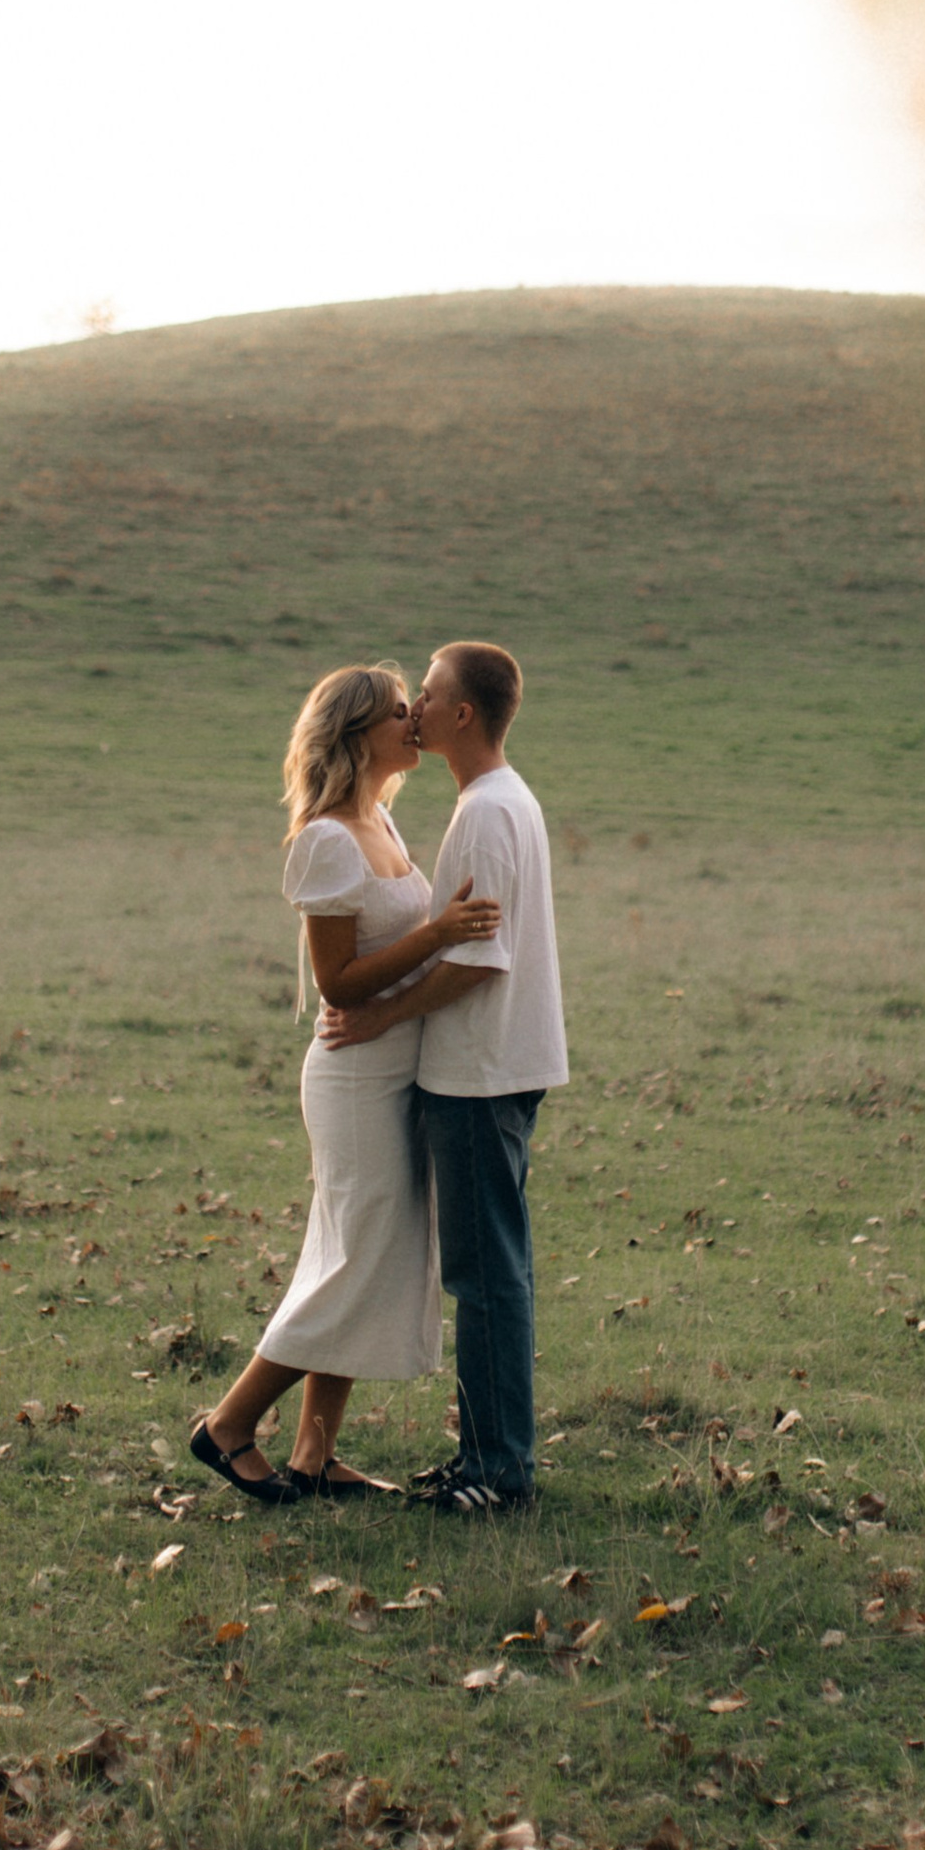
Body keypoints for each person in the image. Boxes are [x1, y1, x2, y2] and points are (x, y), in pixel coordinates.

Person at [190, 663, 500, 1504]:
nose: (414, 721)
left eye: (415, 707)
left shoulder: (385, 824)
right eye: (398, 712)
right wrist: (437, 931)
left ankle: (314, 1459)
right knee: (354, 1259)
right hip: (356, 1078)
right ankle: (225, 1427)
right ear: (358, 732)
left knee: (356, 1256)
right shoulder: (328, 837)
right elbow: (339, 982)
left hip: (397, 1067)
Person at [318, 641, 564, 1517]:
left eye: (425, 695)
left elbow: (478, 961)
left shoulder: (485, 813)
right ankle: (489, 1457)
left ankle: (497, 1473)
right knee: (494, 1270)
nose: (413, 708)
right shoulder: (502, 802)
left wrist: (379, 1016)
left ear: (463, 714)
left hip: (476, 1072)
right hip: (498, 1064)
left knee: (485, 1276)